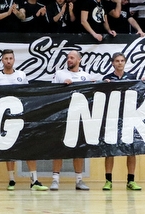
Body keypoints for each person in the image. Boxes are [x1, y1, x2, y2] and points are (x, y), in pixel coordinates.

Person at [0, 49, 49, 191]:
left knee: (29, 148)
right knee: (10, 150)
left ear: (14, 60)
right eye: (6, 58)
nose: (8, 61)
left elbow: (26, 94)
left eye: (10, 58)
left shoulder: (21, 75)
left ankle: (34, 180)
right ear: (2, 61)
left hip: (21, 117)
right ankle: (11, 180)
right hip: (5, 119)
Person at [51, 50, 94, 191]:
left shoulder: (85, 76)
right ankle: (55, 179)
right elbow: (51, 93)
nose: (69, 60)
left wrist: (95, 84)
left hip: (80, 117)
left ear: (79, 60)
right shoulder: (60, 74)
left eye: (72, 58)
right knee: (59, 148)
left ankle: (79, 180)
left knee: (78, 149)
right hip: (63, 116)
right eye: (68, 58)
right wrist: (62, 86)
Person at [101, 53, 142, 191]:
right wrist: (104, 86)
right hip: (112, 117)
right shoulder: (107, 78)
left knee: (131, 150)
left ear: (125, 62)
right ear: (113, 63)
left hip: (129, 118)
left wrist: (143, 83)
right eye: (117, 61)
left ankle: (131, 180)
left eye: (122, 61)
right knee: (110, 150)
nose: (120, 63)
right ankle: (108, 180)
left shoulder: (131, 77)